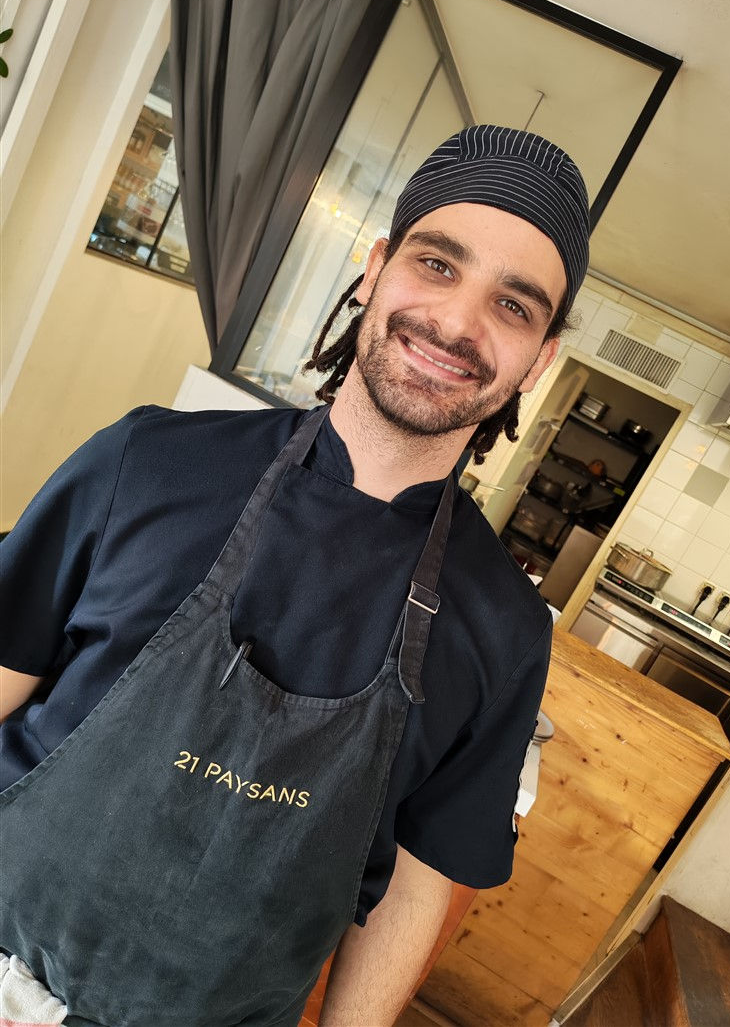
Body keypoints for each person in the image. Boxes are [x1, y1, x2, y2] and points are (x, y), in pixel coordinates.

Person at [0, 125, 590, 1027]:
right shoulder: (147, 462)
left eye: (514, 306)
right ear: (376, 269)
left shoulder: (505, 630)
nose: (457, 323)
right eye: (436, 264)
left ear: (539, 359)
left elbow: (419, 883)